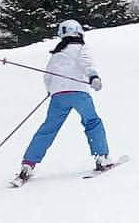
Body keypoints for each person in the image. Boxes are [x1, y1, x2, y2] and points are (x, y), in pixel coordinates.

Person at [13, 20, 111, 185]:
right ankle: (101, 156)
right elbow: (87, 63)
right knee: (92, 122)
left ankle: (28, 164)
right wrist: (94, 77)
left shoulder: (57, 53)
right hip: (79, 92)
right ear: (79, 32)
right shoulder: (80, 48)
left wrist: (51, 89)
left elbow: (47, 75)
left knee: (48, 129)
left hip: (58, 96)